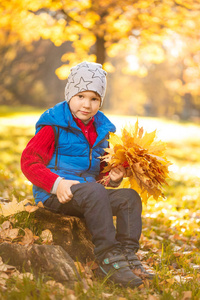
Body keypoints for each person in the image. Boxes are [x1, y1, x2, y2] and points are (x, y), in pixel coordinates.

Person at [21, 61, 153, 288]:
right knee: (94, 191)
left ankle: (127, 253)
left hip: (89, 194)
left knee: (129, 198)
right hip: (56, 195)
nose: (87, 104)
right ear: (69, 94)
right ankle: (108, 257)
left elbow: (99, 176)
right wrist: (56, 183)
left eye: (94, 99)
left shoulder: (102, 131)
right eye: (80, 96)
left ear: (100, 101)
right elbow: (29, 161)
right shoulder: (53, 126)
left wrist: (112, 178)